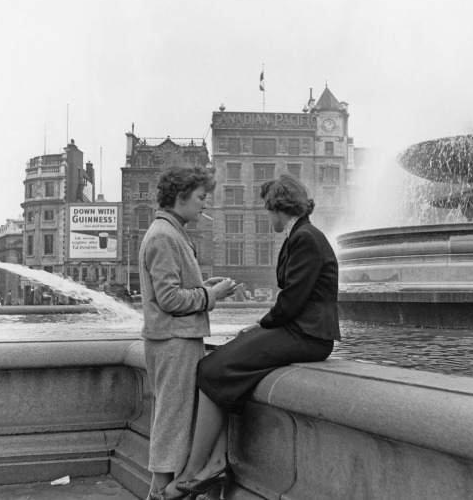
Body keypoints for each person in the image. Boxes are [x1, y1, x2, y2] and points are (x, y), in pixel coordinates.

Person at [156, 173, 341, 500]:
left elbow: (292, 302)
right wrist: (261, 326)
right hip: (299, 330)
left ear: (278, 207)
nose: (265, 215)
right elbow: (291, 302)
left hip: (309, 336)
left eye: (266, 210)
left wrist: (260, 325)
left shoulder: (306, 238)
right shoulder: (301, 235)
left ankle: (192, 473)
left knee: (213, 369)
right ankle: (214, 463)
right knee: (216, 365)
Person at [140, 166, 237, 500]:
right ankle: (159, 494)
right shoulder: (165, 236)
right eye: (199, 197)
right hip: (173, 342)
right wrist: (212, 296)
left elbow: (173, 289)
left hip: (175, 339)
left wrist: (203, 287)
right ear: (180, 197)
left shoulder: (170, 231)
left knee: (175, 417)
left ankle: (163, 491)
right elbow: (168, 299)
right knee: (171, 420)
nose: (204, 204)